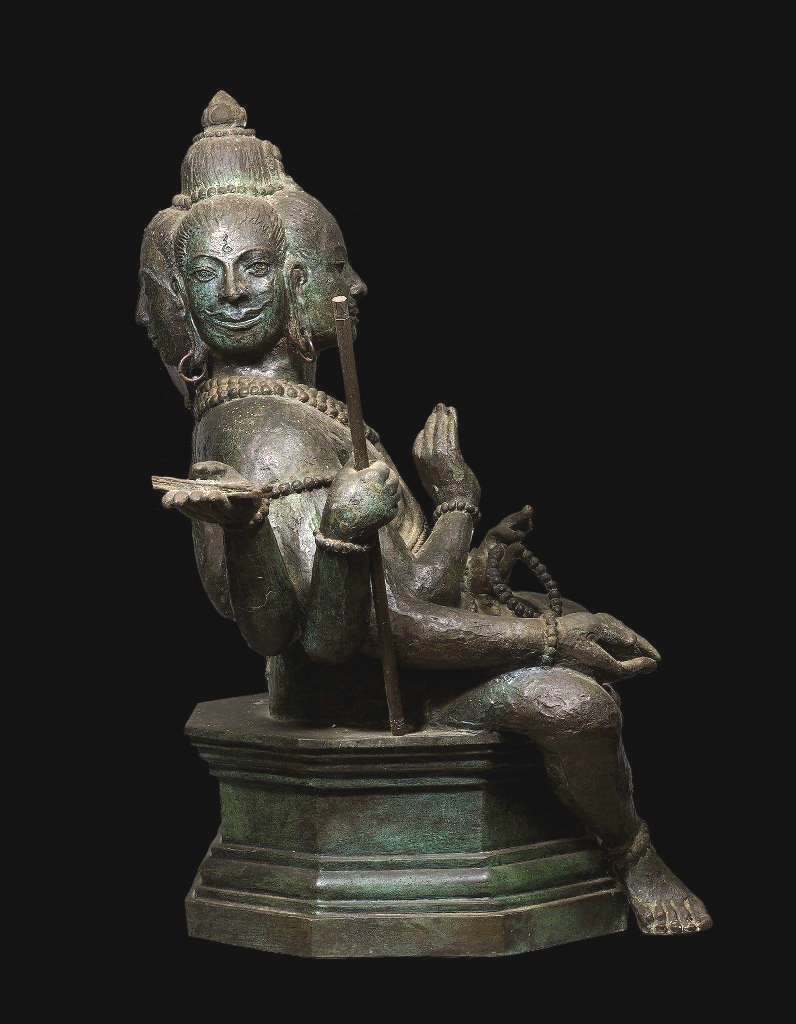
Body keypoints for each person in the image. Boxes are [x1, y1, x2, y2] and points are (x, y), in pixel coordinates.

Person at [150, 94, 712, 936]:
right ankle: (633, 853)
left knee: (554, 631)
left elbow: (406, 583)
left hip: (391, 658)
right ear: (184, 302)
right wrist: (551, 637)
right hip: (357, 697)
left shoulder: (302, 409)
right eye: (208, 276)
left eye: (254, 267)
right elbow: (378, 631)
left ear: (291, 277)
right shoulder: (262, 434)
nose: (233, 293)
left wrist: (459, 517)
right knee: (576, 706)